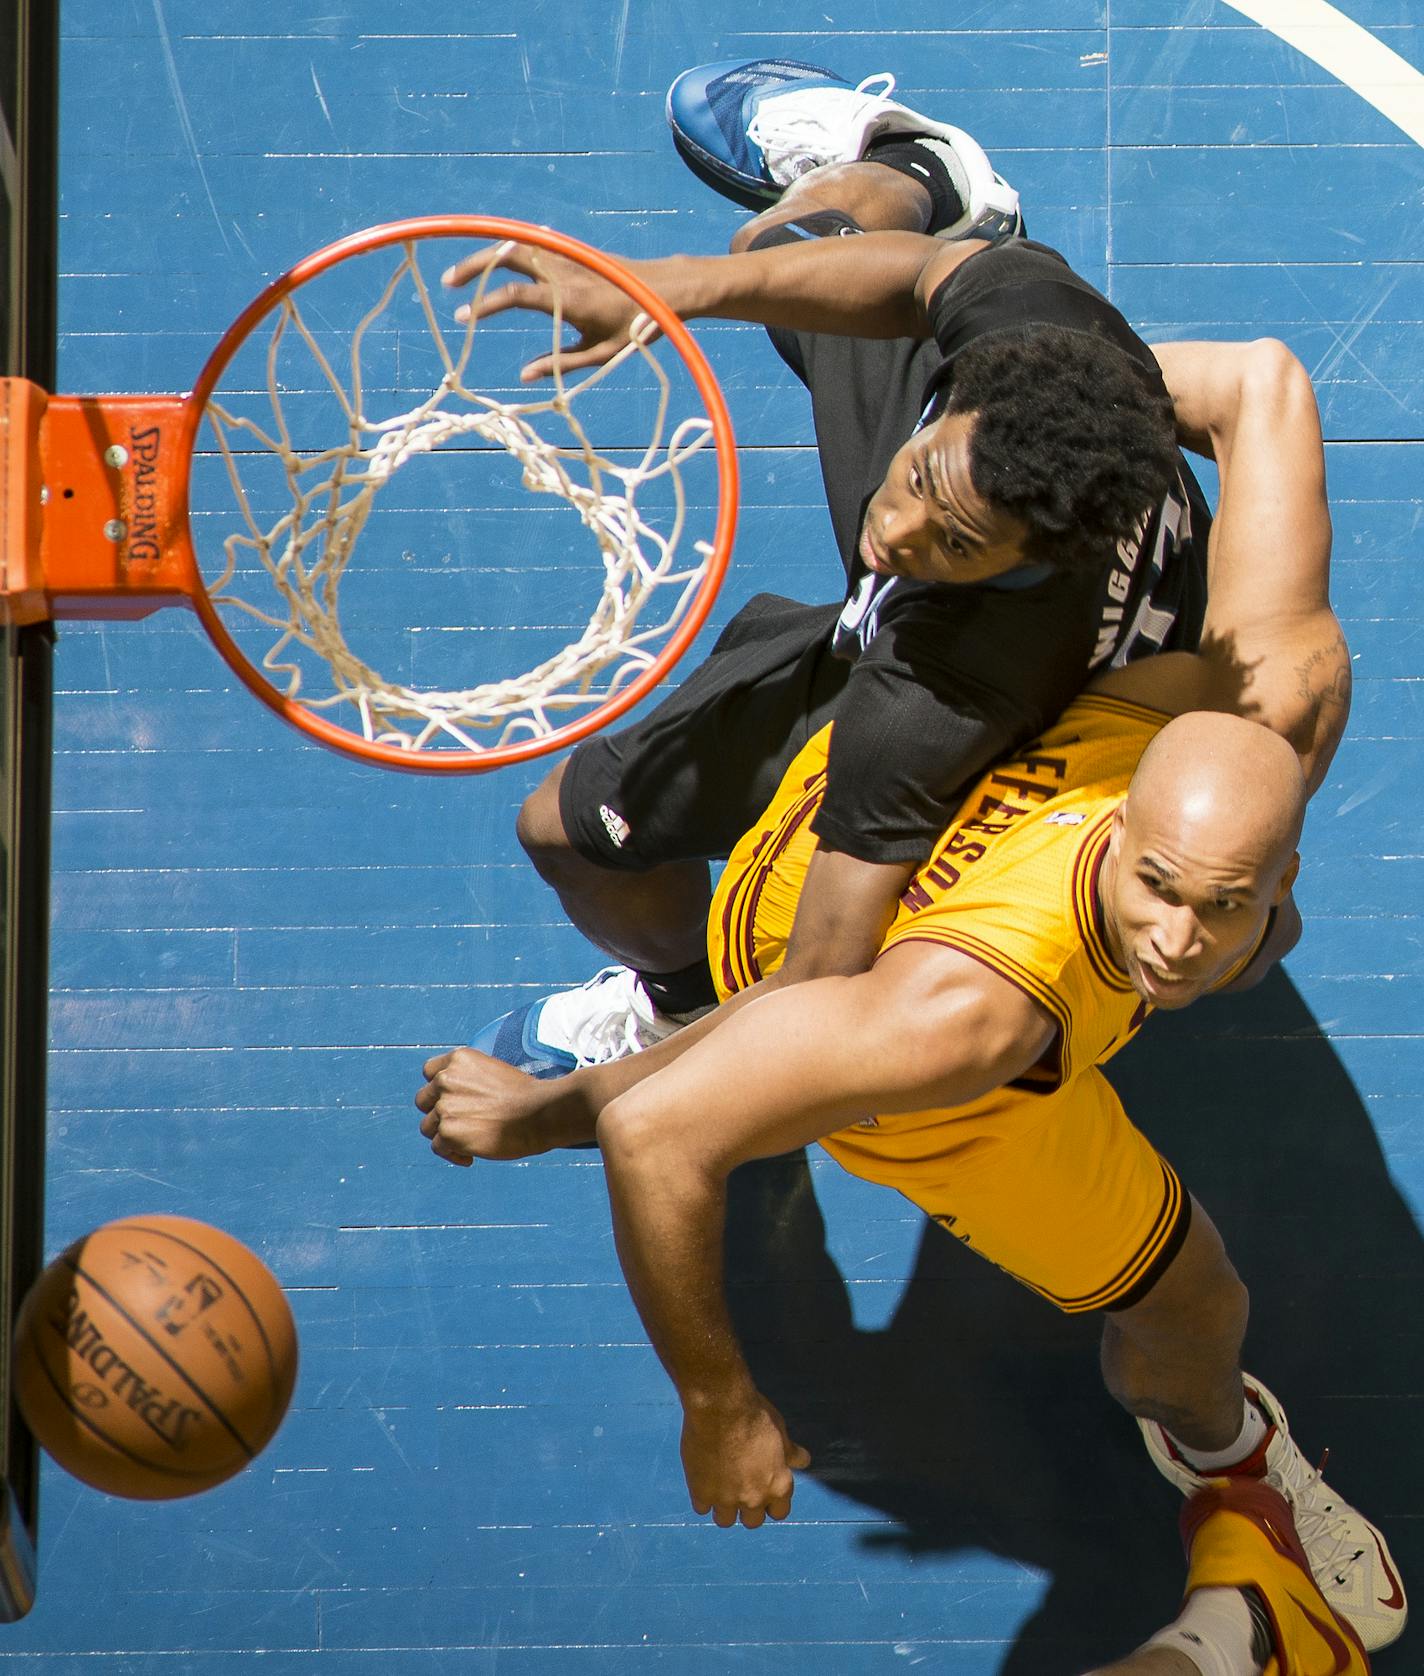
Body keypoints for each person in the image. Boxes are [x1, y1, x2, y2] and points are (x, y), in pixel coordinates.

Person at [417, 336, 1406, 1674]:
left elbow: (1264, 384)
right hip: (896, 1041)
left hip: (831, 844)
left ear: (1284, 866)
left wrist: (1042, 435)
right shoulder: (966, 1026)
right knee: (1191, 1302)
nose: (1177, 942)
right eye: (1160, 888)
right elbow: (663, 1139)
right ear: (1129, 825)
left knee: (1180, 1302)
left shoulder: (1268, 682)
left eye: (1227, 906)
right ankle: (1241, 1480)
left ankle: (1231, 1464)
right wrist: (717, 1402)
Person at [443, 60, 1213, 1075]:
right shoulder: (1047, 344)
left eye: (952, 540)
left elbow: (817, 987)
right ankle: (919, 168)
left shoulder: (927, 703)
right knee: (784, 253)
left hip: (994, 690)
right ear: (974, 390)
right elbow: (915, 281)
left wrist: (583, 1109)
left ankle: (671, 1011)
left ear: (1026, 552)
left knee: (559, 829)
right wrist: (663, 294)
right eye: (918, 479)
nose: (892, 531)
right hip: (1031, 593)